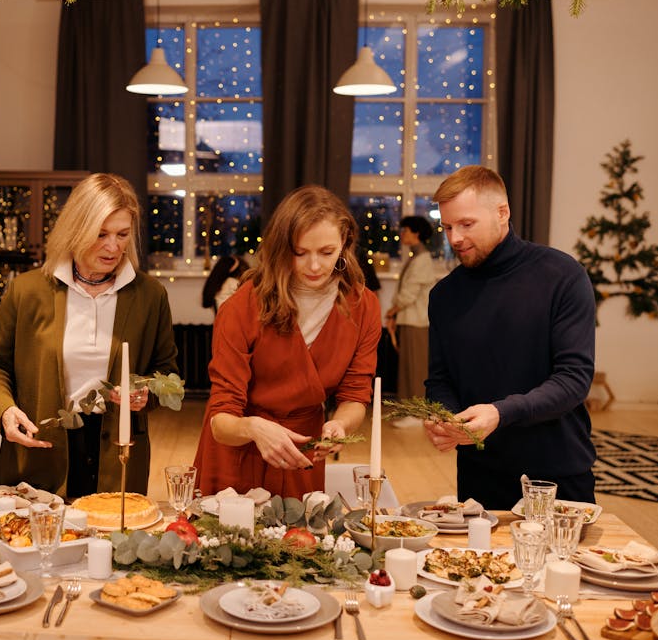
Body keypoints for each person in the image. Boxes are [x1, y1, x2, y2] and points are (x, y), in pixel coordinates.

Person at [0, 172, 179, 498]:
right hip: (41, 446)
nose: (113, 247)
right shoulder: (28, 291)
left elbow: (167, 371)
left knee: (110, 544)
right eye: (100, 234)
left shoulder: (149, 295)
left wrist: (148, 393)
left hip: (117, 451)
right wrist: (5, 409)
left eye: (122, 234)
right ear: (75, 230)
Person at [423, 165, 597, 509]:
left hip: (556, 473)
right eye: (447, 227)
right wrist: (445, 417)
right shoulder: (444, 296)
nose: (454, 237)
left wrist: (501, 413)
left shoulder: (561, 275)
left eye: (466, 224)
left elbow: (574, 379)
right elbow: (440, 379)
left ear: (502, 213)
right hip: (479, 475)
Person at [193, 185, 382, 499]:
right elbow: (221, 419)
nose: (314, 266)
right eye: (300, 252)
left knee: (301, 543)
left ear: (344, 242)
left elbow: (355, 394)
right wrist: (253, 428)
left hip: (301, 447)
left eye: (326, 252)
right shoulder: (243, 306)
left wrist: (340, 427)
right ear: (282, 246)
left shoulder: (363, 306)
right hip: (237, 448)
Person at [385, 215, 436, 403]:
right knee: (407, 367)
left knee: (416, 368)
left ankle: (416, 414)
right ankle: (408, 411)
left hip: (417, 321)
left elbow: (409, 293)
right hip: (409, 320)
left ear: (416, 233)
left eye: (405, 230)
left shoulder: (423, 259)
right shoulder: (416, 257)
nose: (402, 234)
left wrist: (391, 311)